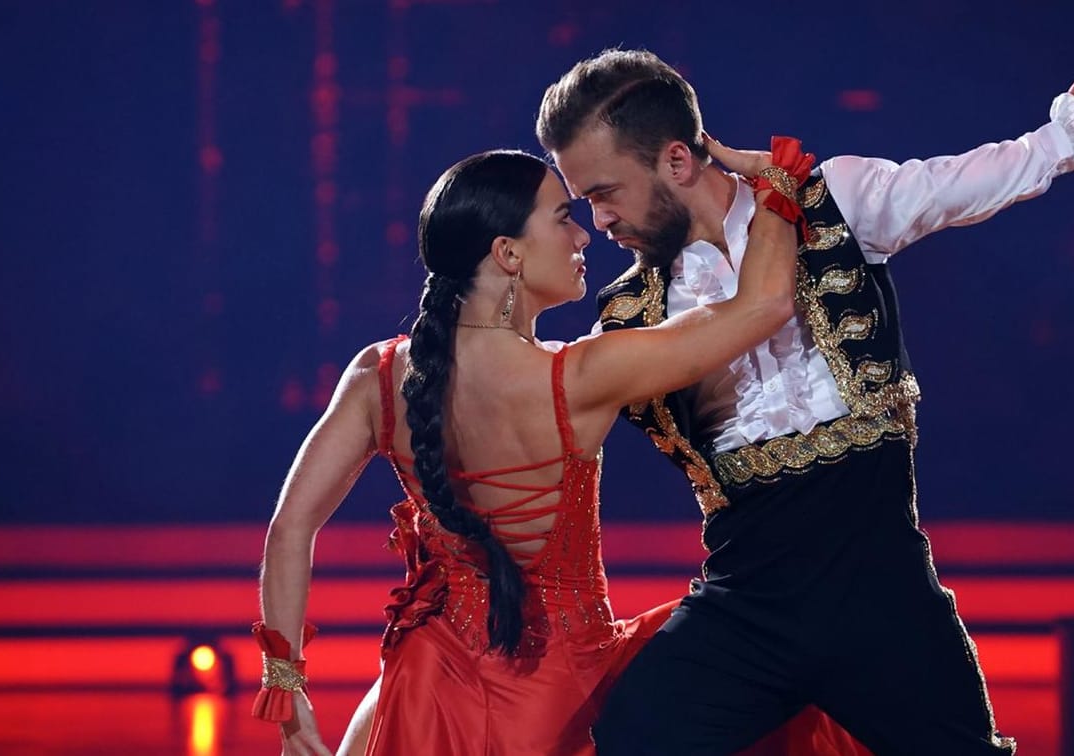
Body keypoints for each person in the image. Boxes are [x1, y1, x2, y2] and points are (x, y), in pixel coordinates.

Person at [536, 48, 1074, 755]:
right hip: (746, 605)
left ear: (677, 162)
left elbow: (948, 184)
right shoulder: (629, 314)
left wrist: (1062, 141)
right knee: (631, 738)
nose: (599, 220)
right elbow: (546, 396)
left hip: (884, 599)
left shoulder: (830, 199)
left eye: (602, 193)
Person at [255, 146, 869, 756]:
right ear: (508, 253)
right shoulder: (579, 376)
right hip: (563, 699)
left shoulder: (378, 375)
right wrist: (776, 186)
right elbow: (763, 304)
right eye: (560, 217)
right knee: (781, 658)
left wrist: (287, 687)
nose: (584, 234)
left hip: (424, 693)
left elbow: (289, 528)